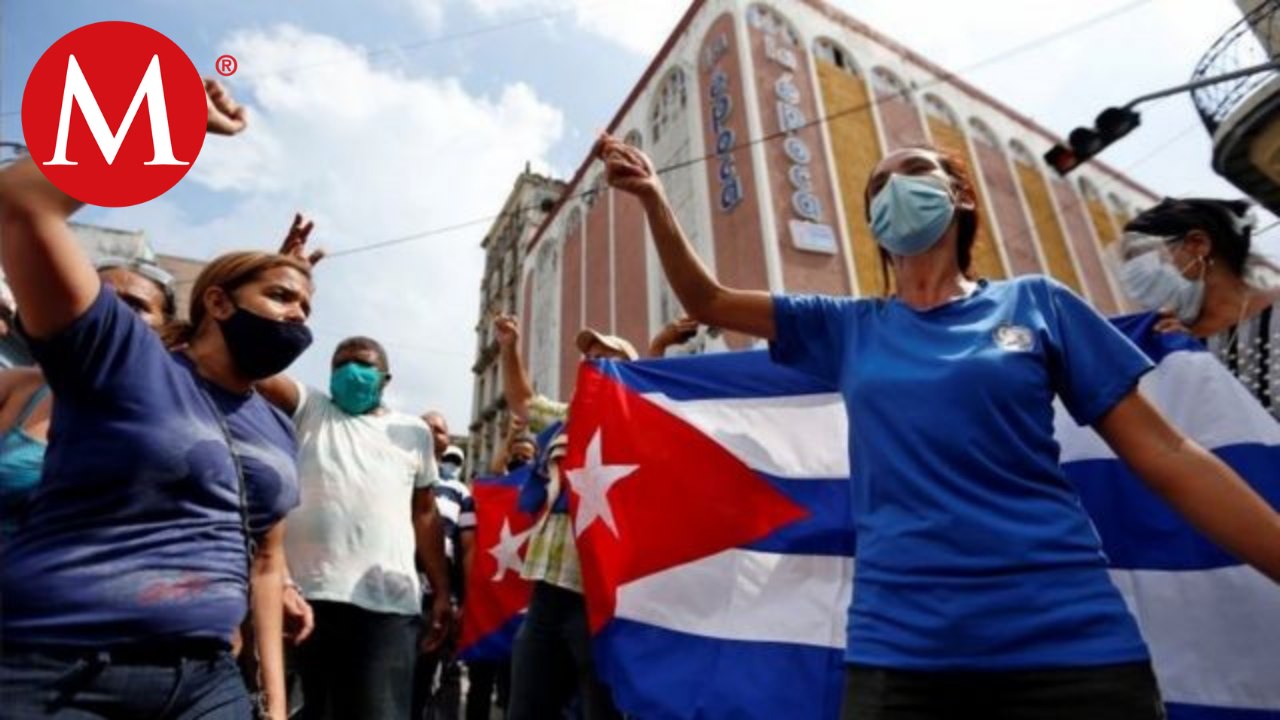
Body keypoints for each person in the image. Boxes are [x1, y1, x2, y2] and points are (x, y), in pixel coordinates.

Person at [597, 133, 1280, 719]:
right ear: (874, 222)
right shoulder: (848, 327)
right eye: (879, 185)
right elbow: (708, 299)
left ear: (961, 197)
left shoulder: (1038, 303)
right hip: (902, 662)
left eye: (916, 170)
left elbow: (1167, 453)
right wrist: (655, 198)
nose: (897, 186)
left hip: (1072, 650)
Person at [0, 80, 308, 720]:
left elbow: (266, 564)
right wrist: (167, 119)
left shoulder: (277, 427)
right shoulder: (121, 359)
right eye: (281, 298)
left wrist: (275, 705)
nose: (298, 316)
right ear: (216, 302)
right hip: (61, 670)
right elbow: (21, 201)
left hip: (207, 682)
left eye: (306, 306)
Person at [493, 314, 704, 720]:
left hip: (600, 598)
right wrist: (508, 348)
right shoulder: (567, 418)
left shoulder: (635, 420)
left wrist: (659, 345)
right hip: (546, 593)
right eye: (588, 358)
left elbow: (653, 397)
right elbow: (522, 401)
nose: (591, 364)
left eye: (604, 358)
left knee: (600, 709)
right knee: (526, 707)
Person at [258, 336, 452, 720]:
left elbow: (425, 515)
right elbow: (262, 376)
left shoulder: (413, 432)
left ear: (385, 378)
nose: (351, 372)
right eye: (341, 364)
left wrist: (443, 592)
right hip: (308, 600)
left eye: (363, 364)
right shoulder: (311, 409)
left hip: (388, 605)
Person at [0, 257, 176, 543]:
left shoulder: (172, 424)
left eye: (135, 306)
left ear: (167, 330)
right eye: (99, 298)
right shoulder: (19, 386)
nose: (111, 312)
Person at [1118, 197, 1280, 421]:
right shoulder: (1171, 345)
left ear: (1198, 244)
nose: (1135, 277)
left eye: (1139, 259)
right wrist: (1185, 359)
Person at [413, 439, 476, 720]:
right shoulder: (400, 477)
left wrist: (460, 599)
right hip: (396, 593)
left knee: (434, 674)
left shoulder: (461, 493)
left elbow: (467, 547)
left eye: (455, 460)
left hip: (436, 597)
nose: (450, 464)